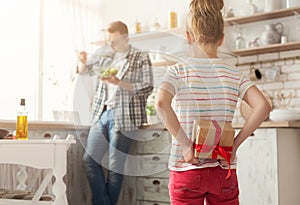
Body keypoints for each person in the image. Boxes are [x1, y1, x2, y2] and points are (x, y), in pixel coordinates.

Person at [155, 0, 271, 205]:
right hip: (222, 170)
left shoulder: (177, 71)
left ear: (188, 37)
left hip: (186, 170)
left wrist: (185, 145)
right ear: (222, 39)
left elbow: (161, 104)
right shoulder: (234, 74)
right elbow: (263, 106)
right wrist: (234, 146)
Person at [80, 21, 153, 205]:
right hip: (102, 113)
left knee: (114, 167)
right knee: (89, 160)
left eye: (114, 41)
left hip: (125, 116)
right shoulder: (106, 57)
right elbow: (84, 71)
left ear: (126, 38)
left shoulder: (140, 56)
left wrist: (119, 83)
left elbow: (147, 86)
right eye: (109, 40)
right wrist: (82, 61)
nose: (111, 44)